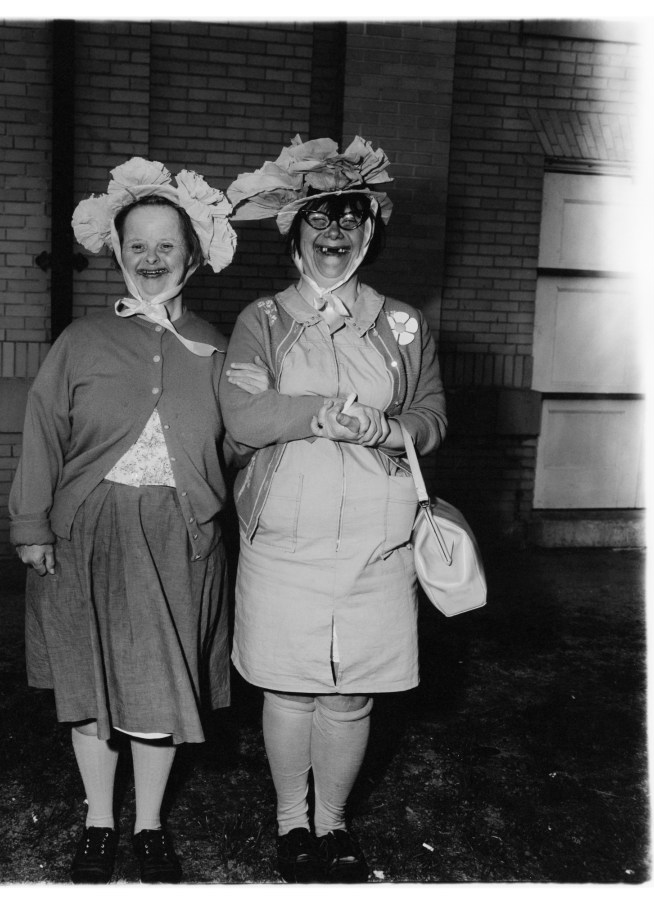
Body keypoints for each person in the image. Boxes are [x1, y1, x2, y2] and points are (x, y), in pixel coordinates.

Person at [9, 157, 258, 884]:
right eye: (138, 247)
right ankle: (97, 819)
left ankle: (148, 824)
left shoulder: (217, 347)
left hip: (180, 539)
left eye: (166, 247)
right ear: (118, 253)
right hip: (87, 531)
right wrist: (32, 526)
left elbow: (240, 444)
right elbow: (41, 433)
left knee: (157, 690)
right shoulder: (80, 341)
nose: (152, 260)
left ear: (193, 257)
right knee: (90, 686)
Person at [220, 136, 447, 883]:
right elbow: (245, 417)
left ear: (369, 231)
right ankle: (291, 822)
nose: (335, 230)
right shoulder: (262, 319)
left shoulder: (404, 325)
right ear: (295, 230)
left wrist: (391, 427)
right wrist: (320, 414)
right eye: (319, 215)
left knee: (350, 694)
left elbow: (433, 416)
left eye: (351, 216)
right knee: (289, 687)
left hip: (377, 549)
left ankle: (334, 823)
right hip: (284, 541)